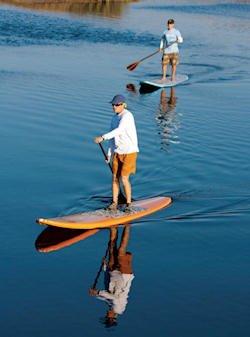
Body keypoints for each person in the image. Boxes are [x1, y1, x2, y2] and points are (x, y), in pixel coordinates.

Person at [94, 94, 139, 212]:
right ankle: (114, 203)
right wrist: (109, 154)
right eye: (113, 105)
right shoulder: (114, 118)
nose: (114, 107)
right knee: (114, 177)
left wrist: (103, 137)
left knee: (124, 178)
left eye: (117, 105)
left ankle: (129, 204)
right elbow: (113, 137)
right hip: (118, 152)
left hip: (129, 152)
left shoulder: (127, 116)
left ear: (124, 105)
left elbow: (119, 131)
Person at [89, 225, 134, 327]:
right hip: (124, 275)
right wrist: (98, 292)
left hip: (113, 273)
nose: (106, 314)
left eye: (106, 316)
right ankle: (128, 224)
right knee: (121, 252)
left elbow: (106, 286)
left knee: (111, 248)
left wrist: (95, 294)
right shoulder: (119, 308)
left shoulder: (110, 305)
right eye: (107, 317)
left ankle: (113, 227)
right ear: (113, 317)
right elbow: (113, 297)